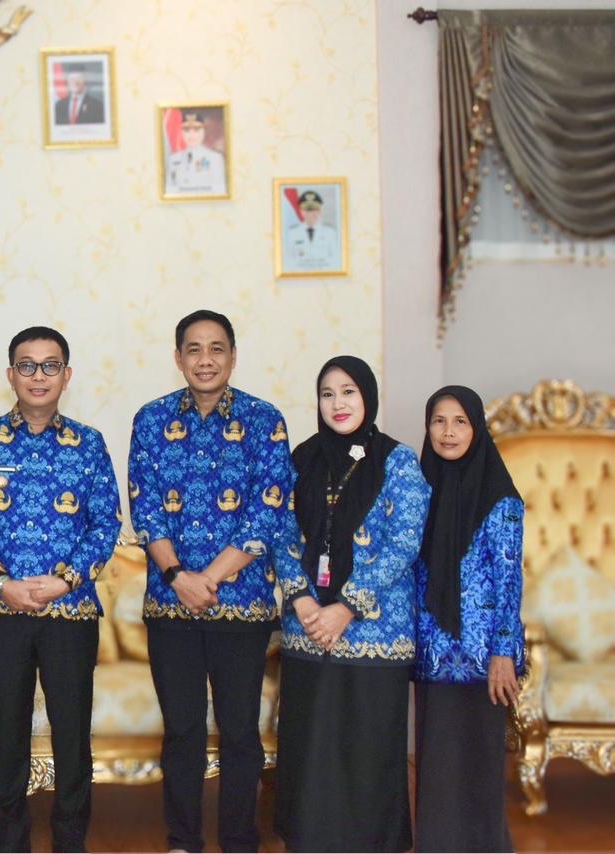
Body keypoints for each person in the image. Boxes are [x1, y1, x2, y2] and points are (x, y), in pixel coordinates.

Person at [0, 326, 121, 852]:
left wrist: (66, 579)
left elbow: (106, 523)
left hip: (70, 611)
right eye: (27, 365)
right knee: (8, 733)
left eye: (50, 366)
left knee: (72, 734)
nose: (38, 376)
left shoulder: (89, 444)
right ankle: (10, 839)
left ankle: (70, 839)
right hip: (1, 610)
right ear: (11, 375)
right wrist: (1, 582)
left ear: (67, 376)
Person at [128, 310, 294, 852]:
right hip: (170, 604)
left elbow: (267, 513)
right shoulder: (151, 420)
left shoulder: (264, 420)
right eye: (194, 349)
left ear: (233, 356)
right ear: (178, 358)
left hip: (241, 605)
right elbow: (145, 509)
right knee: (182, 732)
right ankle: (183, 840)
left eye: (216, 348)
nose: (205, 359)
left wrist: (209, 579)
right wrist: (179, 576)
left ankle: (240, 841)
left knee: (240, 733)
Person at [273, 356, 430, 852]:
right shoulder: (302, 459)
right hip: (308, 629)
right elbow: (279, 533)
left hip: (373, 632)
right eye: (327, 394)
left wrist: (345, 607)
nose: (337, 403)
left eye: (348, 392)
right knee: (311, 749)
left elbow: (403, 543)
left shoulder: (398, 461)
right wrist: (301, 599)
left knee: (366, 751)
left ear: (368, 397)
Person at [413, 386, 524, 852]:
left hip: (483, 662)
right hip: (432, 656)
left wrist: (503, 653)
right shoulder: (420, 492)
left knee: (478, 764)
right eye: (439, 421)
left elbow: (510, 582)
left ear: (476, 428)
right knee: (436, 766)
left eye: (460, 421)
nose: (448, 432)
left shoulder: (501, 500)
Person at [166, 111, 226, 196]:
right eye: (186, 130)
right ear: (181, 133)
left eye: (197, 130)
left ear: (204, 132)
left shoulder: (215, 158)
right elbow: (170, 191)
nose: (191, 135)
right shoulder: (173, 159)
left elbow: (219, 191)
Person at [283, 190, 341, 271]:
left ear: (320, 211)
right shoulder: (292, 233)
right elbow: (288, 262)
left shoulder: (330, 233)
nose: (310, 214)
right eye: (307, 210)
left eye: (314, 210)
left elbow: (335, 261)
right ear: (301, 211)